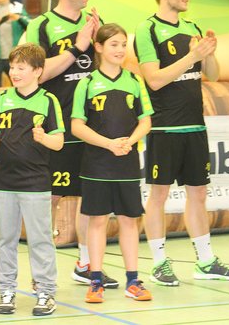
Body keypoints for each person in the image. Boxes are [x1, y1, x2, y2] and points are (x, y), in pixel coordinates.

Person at [135, 0, 229, 286]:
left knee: (198, 194)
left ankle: (205, 260)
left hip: (195, 127)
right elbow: (154, 80)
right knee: (158, 195)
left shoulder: (192, 27)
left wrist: (208, 53)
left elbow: (212, 74)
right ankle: (159, 263)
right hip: (165, 129)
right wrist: (191, 56)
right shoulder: (147, 29)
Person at [25, 0, 118, 288]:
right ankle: (41, 272)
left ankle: (87, 264)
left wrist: (101, 44)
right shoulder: (42, 25)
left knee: (90, 198)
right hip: (55, 127)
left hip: (90, 126)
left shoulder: (95, 22)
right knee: (49, 199)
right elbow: (35, 74)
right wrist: (77, 47)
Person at [0, 43, 63, 316]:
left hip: (35, 183)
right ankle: (7, 291)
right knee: (6, 239)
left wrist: (44, 138)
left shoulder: (48, 101)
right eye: (12, 67)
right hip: (5, 182)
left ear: (37, 71)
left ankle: (45, 292)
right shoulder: (3, 99)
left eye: (21, 68)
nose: (14, 72)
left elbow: (59, 142)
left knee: (40, 240)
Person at [71, 24, 153, 303]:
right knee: (97, 221)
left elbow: (146, 121)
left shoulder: (134, 81)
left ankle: (133, 281)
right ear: (99, 47)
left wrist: (129, 141)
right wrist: (108, 144)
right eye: (114, 44)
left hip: (127, 163)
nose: (120, 50)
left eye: (123, 44)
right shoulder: (87, 83)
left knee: (130, 221)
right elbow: (77, 126)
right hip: (97, 165)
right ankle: (95, 281)